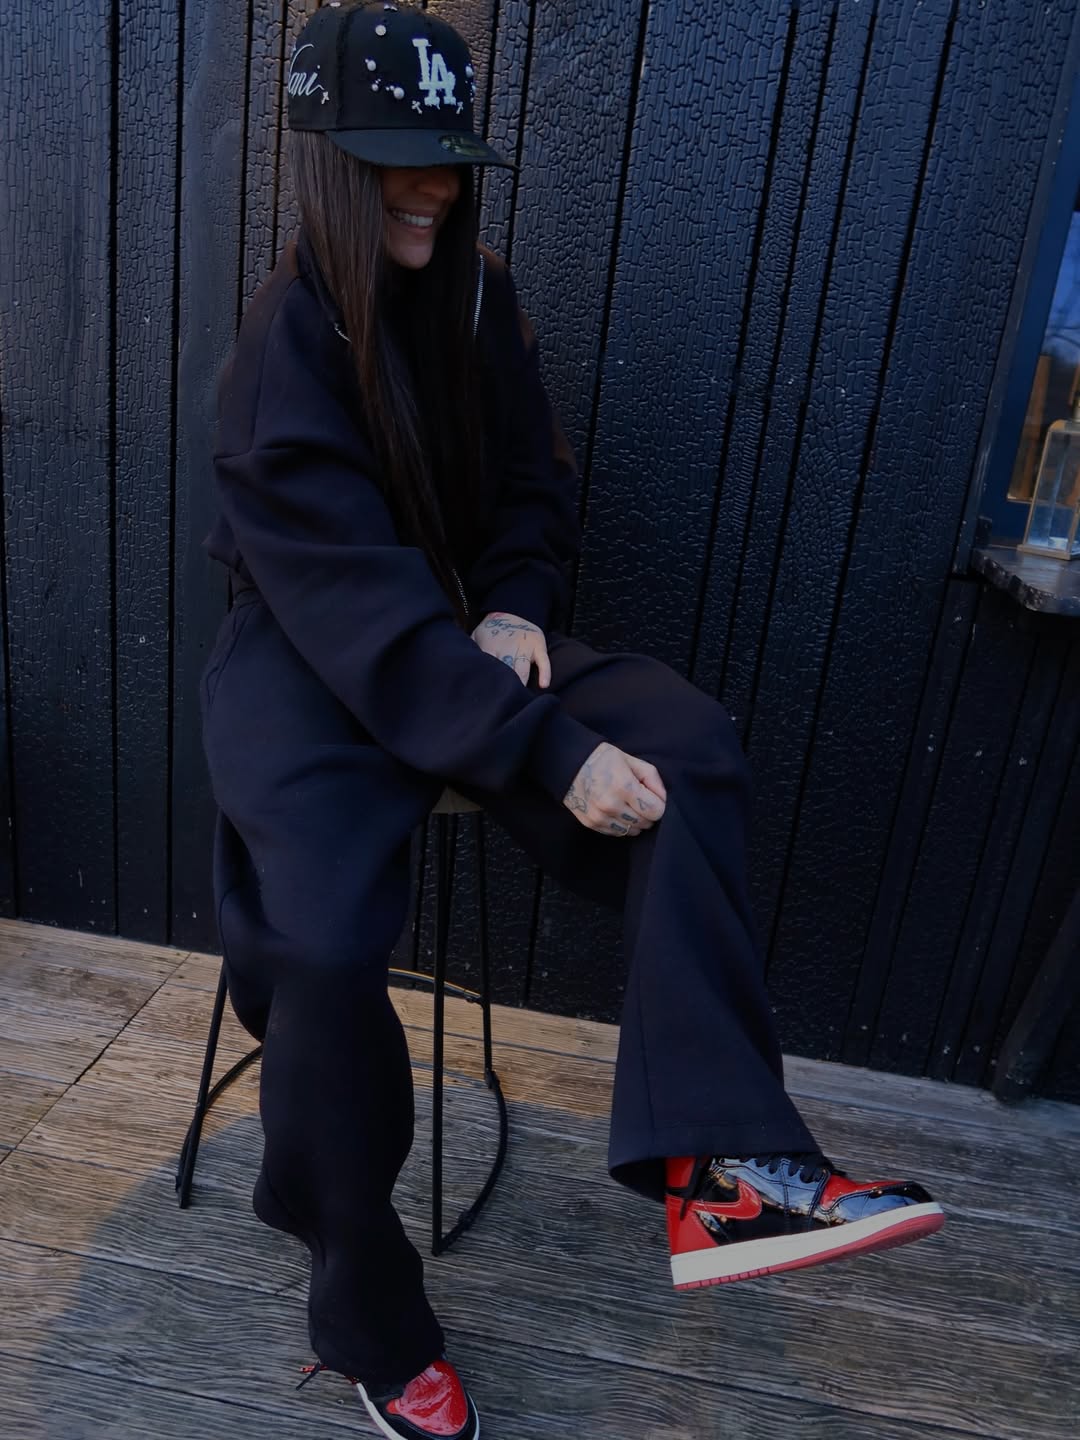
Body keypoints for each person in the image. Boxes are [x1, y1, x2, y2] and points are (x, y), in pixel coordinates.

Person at [200, 5, 945, 1437]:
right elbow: (357, 619)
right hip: (307, 657)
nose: (431, 186)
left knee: (687, 749)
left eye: (449, 160)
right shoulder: (280, 356)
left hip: (465, 638)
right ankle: (367, 1314)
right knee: (322, 950)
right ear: (326, 166)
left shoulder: (480, 301)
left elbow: (537, 486)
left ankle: (724, 1173)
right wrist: (547, 747)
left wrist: (517, 603)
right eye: (395, 161)